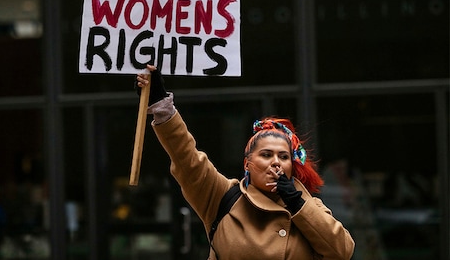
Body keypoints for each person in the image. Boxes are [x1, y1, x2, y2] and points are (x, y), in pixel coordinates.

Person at [136, 65, 355, 260]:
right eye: (266, 155)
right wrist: (161, 106)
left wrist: (296, 203)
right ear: (248, 163)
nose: (276, 162)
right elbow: (187, 158)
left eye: (284, 157)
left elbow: (342, 251)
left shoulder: (310, 206)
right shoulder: (223, 197)